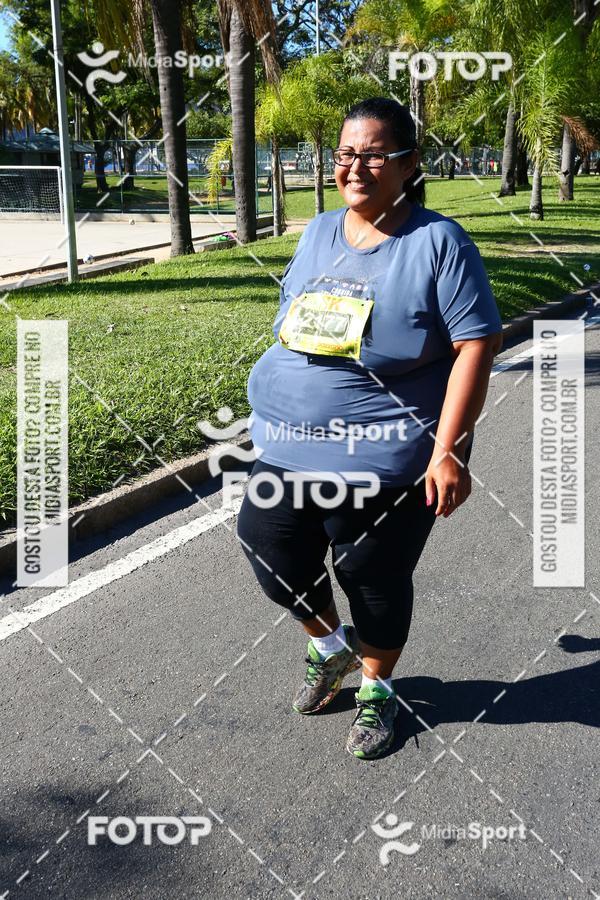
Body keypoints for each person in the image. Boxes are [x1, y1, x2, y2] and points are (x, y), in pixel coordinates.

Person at [236, 97, 503, 760]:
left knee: (372, 577)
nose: (357, 166)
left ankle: (379, 691)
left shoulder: (438, 242)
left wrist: (450, 453)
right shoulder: (319, 231)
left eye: (375, 153)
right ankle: (331, 650)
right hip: (287, 448)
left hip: (385, 457)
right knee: (270, 551)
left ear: (409, 164)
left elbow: (477, 344)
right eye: (347, 153)